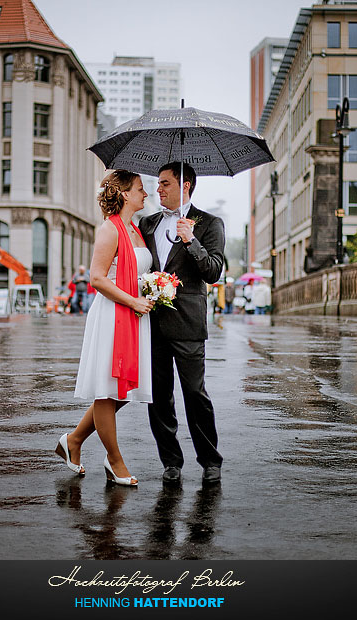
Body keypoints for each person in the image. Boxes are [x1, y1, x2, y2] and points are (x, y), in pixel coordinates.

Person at [57, 170, 155, 487]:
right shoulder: (109, 229)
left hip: (134, 312)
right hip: (114, 313)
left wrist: (155, 288)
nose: (146, 194)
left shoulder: (136, 230)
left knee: (121, 389)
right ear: (125, 194)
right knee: (107, 388)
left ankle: (72, 440)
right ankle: (114, 460)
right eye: (141, 189)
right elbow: (97, 279)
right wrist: (134, 301)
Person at [138, 162, 226, 484]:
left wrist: (191, 241)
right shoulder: (146, 224)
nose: (157, 189)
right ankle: (170, 462)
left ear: (185, 185)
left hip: (188, 324)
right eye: (158, 184)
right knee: (159, 396)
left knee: (194, 393)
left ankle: (210, 460)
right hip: (152, 322)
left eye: (164, 184)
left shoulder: (209, 223)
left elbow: (213, 272)